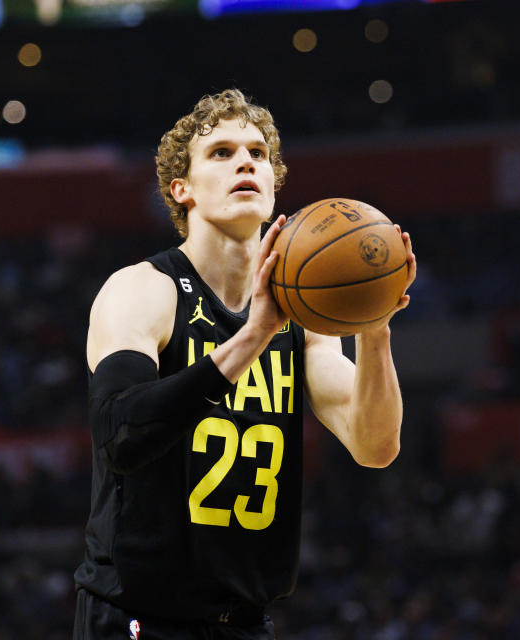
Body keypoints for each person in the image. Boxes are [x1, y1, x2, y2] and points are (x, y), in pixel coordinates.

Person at [73, 89, 415, 640]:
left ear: (276, 184)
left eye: (257, 153)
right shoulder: (143, 290)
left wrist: (373, 327)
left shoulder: (303, 320)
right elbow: (119, 434)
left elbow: (375, 446)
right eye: (222, 152)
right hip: (137, 616)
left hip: (246, 622)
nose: (245, 163)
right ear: (180, 189)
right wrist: (254, 336)